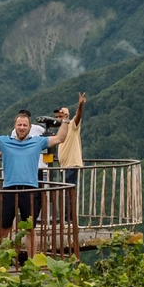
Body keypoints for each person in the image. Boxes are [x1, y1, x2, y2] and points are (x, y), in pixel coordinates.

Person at [0, 103, 47, 255]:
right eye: (19, 125)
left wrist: (66, 120)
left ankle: (32, 264)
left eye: (24, 125)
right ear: (15, 126)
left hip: (30, 189)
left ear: (29, 126)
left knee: (30, 229)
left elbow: (60, 138)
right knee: (4, 228)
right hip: (10, 188)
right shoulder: (5, 141)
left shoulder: (37, 141)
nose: (22, 127)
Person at [49, 91, 88, 248]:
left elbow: (78, 117)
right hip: (64, 166)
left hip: (71, 164)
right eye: (58, 116)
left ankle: (69, 221)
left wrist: (80, 106)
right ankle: (67, 220)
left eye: (62, 115)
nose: (59, 118)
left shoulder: (72, 125)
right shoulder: (60, 131)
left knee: (68, 194)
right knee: (66, 193)